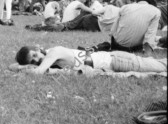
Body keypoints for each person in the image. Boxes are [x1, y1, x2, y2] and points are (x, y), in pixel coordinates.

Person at [14, 45, 166, 74]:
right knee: (154, 64)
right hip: (111, 63)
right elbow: (11, 66)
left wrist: (23, 68)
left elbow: (39, 71)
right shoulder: (51, 59)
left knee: (160, 66)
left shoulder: (53, 52)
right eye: (33, 61)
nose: (38, 60)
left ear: (37, 48)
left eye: (35, 55)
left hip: (115, 61)